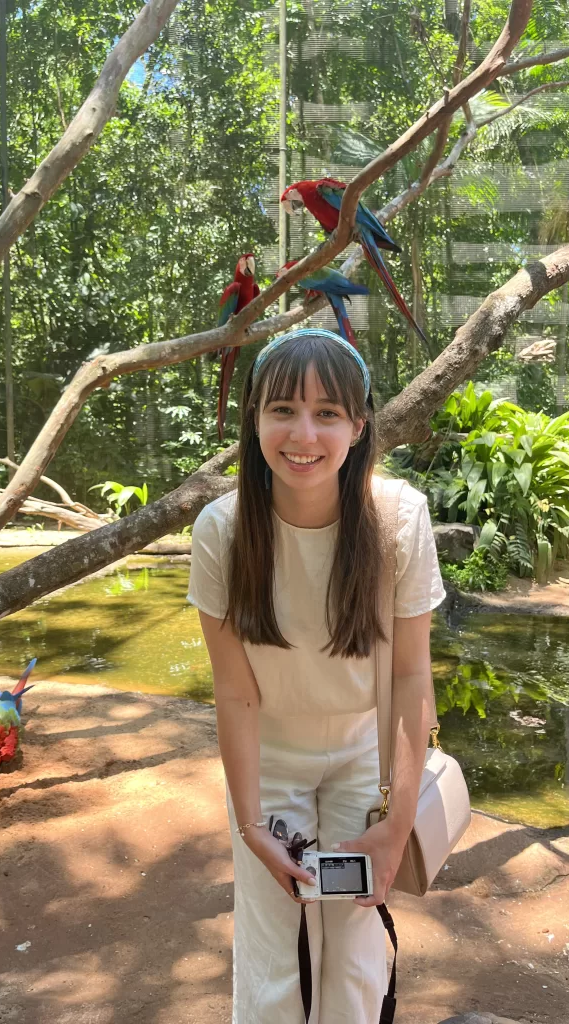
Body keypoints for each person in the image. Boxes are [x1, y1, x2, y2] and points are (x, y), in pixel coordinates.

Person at [187, 328, 446, 1023]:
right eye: (283, 409)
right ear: (254, 418)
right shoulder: (223, 529)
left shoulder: (398, 518)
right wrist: (250, 825)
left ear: (359, 425)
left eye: (328, 412)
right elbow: (236, 692)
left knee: (354, 946)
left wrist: (395, 825)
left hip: (367, 754)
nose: (304, 433)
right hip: (271, 759)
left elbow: (412, 678)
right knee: (274, 954)